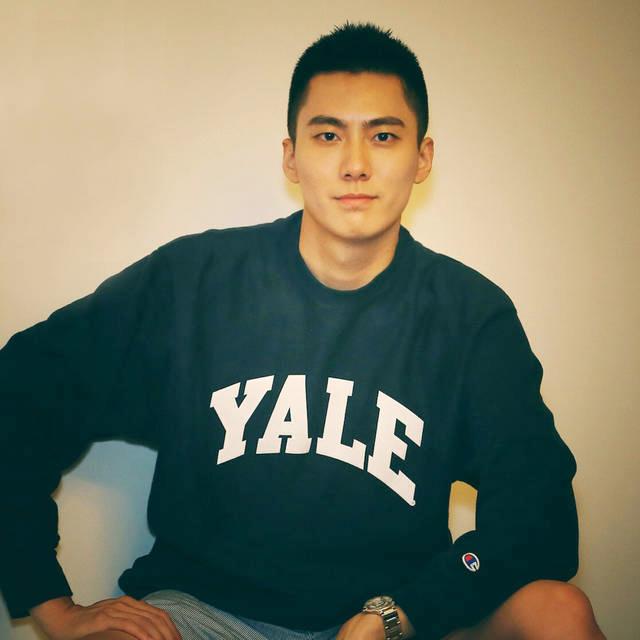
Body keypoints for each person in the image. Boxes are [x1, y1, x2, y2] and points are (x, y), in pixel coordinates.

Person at [0, 21, 605, 640]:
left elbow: (541, 521)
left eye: (384, 136)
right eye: (328, 135)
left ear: (422, 157)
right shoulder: (194, 283)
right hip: (206, 613)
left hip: (393, 615)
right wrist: (48, 601)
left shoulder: (470, 316)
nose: (355, 165)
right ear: (291, 156)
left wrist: (404, 611)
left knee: (559, 611)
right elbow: (19, 390)